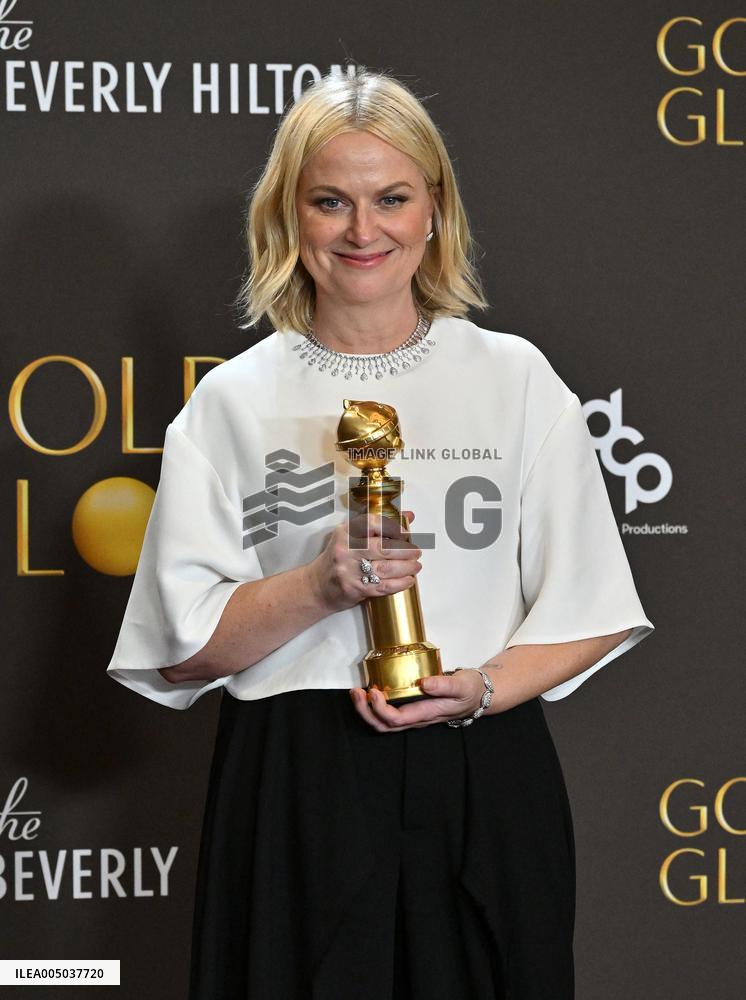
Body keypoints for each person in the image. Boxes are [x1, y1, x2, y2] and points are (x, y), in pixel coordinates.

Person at [106, 67, 655, 1000]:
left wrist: (479, 691)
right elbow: (182, 650)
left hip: (483, 768)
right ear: (290, 217)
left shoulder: (515, 378)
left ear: (434, 210)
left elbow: (592, 607)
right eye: (331, 203)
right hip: (296, 783)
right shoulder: (233, 401)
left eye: (391, 199)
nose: (364, 232)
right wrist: (318, 587)